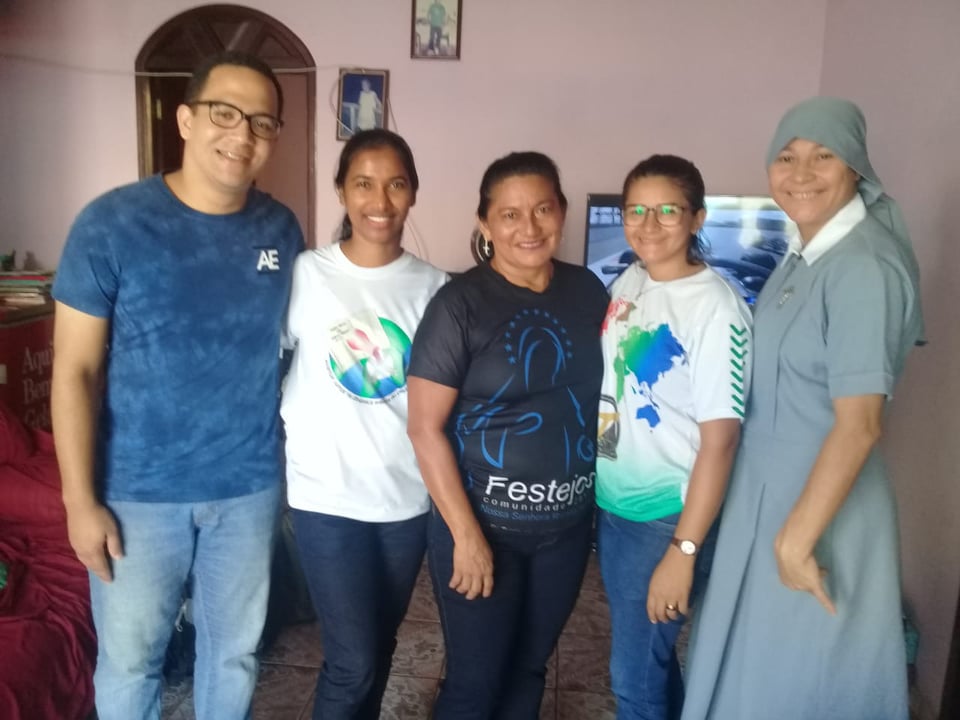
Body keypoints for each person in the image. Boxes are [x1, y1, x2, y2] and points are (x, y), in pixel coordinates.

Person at [50, 51, 303, 720]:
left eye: (261, 122)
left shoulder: (280, 229)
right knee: (132, 663)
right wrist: (79, 502)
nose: (242, 134)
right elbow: (74, 371)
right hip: (137, 493)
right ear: (186, 120)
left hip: (247, 489)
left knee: (234, 656)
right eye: (225, 113)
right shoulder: (111, 224)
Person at [680, 97, 924, 720]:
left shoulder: (863, 265)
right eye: (787, 157)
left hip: (819, 512)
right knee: (752, 673)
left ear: (856, 167)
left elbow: (860, 424)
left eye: (824, 156)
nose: (802, 173)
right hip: (768, 496)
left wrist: (796, 539)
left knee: (797, 685)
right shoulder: (806, 255)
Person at [406, 151, 609, 719]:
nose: (529, 227)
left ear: (562, 211)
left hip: (565, 531)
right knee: (475, 685)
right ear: (485, 223)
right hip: (483, 529)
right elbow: (424, 430)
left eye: (542, 209)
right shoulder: (459, 306)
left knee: (529, 670)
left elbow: (609, 397)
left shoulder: (588, 291)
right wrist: (466, 536)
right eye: (510, 214)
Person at [281, 129, 447, 719]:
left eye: (395, 184)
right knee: (352, 660)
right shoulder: (305, 274)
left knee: (379, 646)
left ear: (413, 193)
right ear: (341, 191)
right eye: (364, 184)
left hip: (405, 501)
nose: (380, 200)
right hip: (325, 497)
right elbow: (261, 362)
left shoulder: (436, 289)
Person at [596, 155, 751, 720]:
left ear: (697, 218)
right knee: (652, 666)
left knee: (633, 681)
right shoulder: (631, 280)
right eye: (635, 210)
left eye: (667, 210)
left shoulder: (716, 308)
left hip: (665, 518)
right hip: (618, 506)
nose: (649, 224)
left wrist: (683, 552)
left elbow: (722, 441)